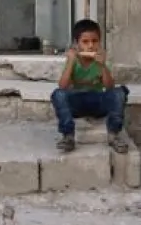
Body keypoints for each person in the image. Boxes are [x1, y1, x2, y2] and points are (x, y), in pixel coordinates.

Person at [50, 19, 130, 153]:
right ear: (77, 44)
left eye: (95, 41)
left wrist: (102, 65)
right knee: (58, 94)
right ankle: (68, 135)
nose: (91, 46)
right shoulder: (74, 60)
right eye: (85, 42)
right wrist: (70, 62)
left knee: (120, 92)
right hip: (77, 103)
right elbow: (63, 86)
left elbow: (109, 87)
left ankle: (113, 134)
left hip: (98, 101)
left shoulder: (101, 60)